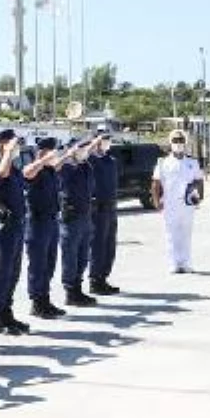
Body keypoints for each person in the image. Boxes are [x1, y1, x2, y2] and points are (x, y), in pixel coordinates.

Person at [0, 129, 32, 334]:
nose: (17, 147)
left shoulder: (14, 168)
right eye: (13, 144)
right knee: (4, 272)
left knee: (14, 271)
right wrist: (7, 151)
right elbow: (1, 173)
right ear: (2, 145)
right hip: (5, 225)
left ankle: (7, 313)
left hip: (17, 224)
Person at [151, 130, 203, 274]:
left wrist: (199, 198)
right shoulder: (163, 162)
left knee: (186, 234)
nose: (178, 144)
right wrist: (156, 201)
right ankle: (173, 263)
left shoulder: (192, 162)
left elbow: (199, 180)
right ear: (170, 143)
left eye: (181, 141)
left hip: (187, 204)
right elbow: (155, 183)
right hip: (170, 204)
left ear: (185, 143)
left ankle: (186, 263)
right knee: (171, 234)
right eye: (175, 141)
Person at [25, 136, 66, 319]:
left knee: (49, 263)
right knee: (38, 265)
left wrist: (67, 154)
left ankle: (45, 299)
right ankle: (37, 303)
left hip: (51, 220)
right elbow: (27, 172)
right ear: (43, 152)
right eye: (52, 151)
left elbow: (60, 163)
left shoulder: (49, 170)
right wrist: (43, 158)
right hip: (37, 223)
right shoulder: (35, 169)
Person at [59, 138, 98, 306]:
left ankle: (78, 288)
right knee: (71, 255)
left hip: (85, 215)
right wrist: (67, 155)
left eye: (84, 148)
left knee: (83, 255)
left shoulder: (85, 167)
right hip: (72, 217)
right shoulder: (66, 168)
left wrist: (90, 146)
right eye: (79, 148)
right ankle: (70, 291)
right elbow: (56, 168)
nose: (84, 150)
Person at [88, 126, 122, 295]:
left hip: (111, 208)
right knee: (98, 245)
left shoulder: (111, 160)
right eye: (103, 139)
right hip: (98, 209)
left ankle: (103, 277)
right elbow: (83, 154)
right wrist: (93, 144)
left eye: (108, 138)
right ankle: (95, 280)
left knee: (110, 246)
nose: (107, 141)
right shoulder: (90, 159)